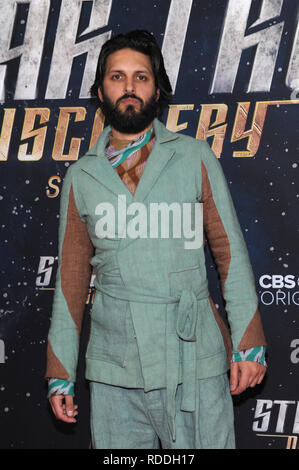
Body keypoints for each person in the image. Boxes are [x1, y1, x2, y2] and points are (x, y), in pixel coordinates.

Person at [45, 30, 267, 449]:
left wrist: (248, 344)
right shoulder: (80, 176)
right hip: (115, 370)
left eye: (141, 77)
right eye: (117, 76)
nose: (129, 87)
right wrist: (60, 371)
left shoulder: (194, 156)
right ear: (99, 90)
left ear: (158, 89)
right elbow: (70, 282)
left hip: (192, 359)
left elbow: (231, 253)